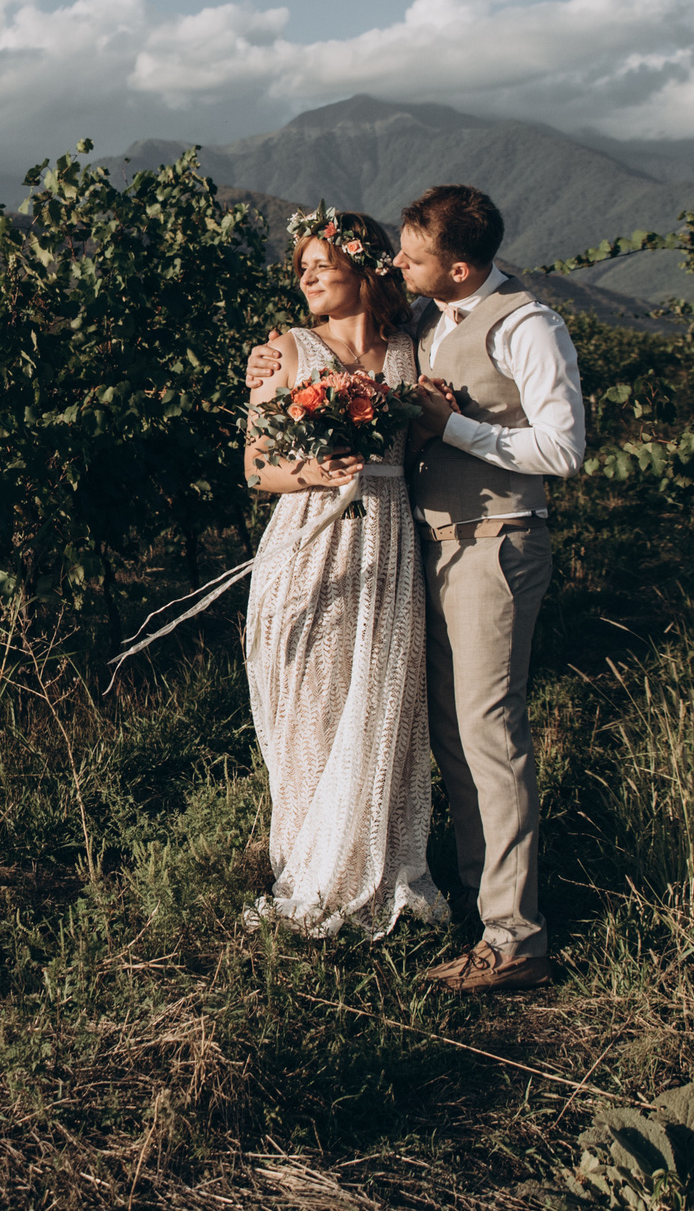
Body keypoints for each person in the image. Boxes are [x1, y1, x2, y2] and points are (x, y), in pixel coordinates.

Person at [245, 184, 583, 992]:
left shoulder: (517, 325)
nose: (399, 262)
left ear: (455, 267)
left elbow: (564, 449)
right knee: (437, 732)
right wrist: (275, 380)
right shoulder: (426, 325)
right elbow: (260, 457)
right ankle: (465, 901)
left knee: (481, 730)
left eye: (413, 255)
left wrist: (448, 425)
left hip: (484, 540)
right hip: (399, 547)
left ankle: (512, 934)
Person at [236, 207, 447, 939]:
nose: (309, 277)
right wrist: (313, 472)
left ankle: (379, 870)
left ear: (364, 268)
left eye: (323, 264)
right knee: (314, 709)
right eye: (302, 268)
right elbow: (255, 468)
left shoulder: (408, 350)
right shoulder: (285, 351)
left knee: (384, 703)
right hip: (310, 542)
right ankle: (315, 871)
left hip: (387, 542)